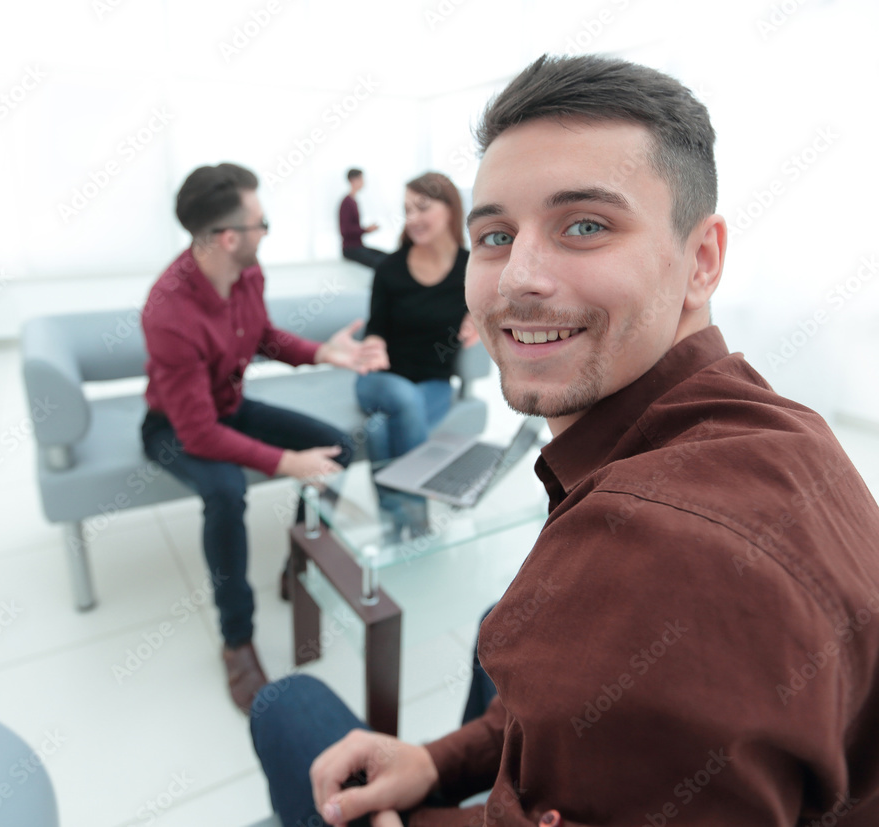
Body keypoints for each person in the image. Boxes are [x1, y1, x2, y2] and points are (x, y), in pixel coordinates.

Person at [249, 55, 879, 826]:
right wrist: (441, 758)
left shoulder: (656, 566)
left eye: (585, 226)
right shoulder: (788, 425)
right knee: (500, 620)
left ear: (702, 259)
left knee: (286, 704)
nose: (518, 277)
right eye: (495, 235)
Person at [140, 163, 388, 713]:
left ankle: (297, 565)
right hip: (174, 427)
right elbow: (197, 432)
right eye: (261, 223)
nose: (266, 231)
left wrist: (323, 353)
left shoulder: (247, 273)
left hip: (229, 406)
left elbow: (263, 337)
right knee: (226, 491)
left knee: (338, 446)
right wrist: (285, 462)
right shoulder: (169, 311)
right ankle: (237, 640)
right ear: (229, 237)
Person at [354, 172, 479, 534]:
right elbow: (376, 326)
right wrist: (374, 343)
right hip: (380, 379)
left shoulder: (471, 267)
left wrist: (478, 315)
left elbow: (501, 304)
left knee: (379, 430)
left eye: (422, 207)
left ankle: (394, 524)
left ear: (450, 209)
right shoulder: (389, 268)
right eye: (407, 210)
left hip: (434, 383)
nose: (412, 218)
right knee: (403, 399)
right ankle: (419, 521)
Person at [340, 168, 387, 269]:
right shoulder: (347, 202)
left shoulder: (353, 201)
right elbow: (345, 230)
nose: (363, 182)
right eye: (361, 179)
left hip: (358, 246)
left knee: (388, 257)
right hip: (351, 249)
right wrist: (366, 230)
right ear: (353, 180)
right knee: (381, 262)